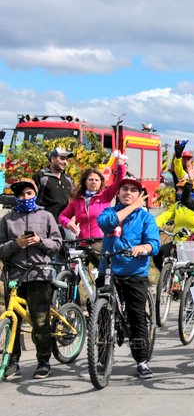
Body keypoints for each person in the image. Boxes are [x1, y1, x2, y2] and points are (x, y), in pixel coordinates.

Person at [97, 177, 161, 379]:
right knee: (101, 316)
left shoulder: (146, 218)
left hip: (134, 273)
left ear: (140, 194)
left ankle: (141, 360)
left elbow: (154, 244)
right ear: (118, 193)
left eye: (133, 190)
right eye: (124, 189)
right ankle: (102, 358)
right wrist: (132, 206)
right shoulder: (110, 212)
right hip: (108, 271)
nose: (128, 193)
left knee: (137, 317)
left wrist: (144, 248)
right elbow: (105, 223)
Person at [0, 180, 63, 379]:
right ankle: (12, 361)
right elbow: (1, 249)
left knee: (40, 320)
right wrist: (16, 244)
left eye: (29, 193)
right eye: (21, 195)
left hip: (39, 274)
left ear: (35, 194)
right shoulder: (7, 220)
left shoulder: (45, 216)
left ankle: (43, 361)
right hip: (14, 275)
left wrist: (40, 241)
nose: (25, 198)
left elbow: (57, 244)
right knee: (14, 320)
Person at [59, 151, 126, 253]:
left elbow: (119, 181)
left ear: (101, 183)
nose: (94, 182)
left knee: (100, 268)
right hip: (82, 242)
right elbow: (62, 217)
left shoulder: (105, 196)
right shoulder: (77, 200)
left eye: (97, 180)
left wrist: (121, 165)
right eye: (90, 179)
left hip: (101, 241)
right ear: (85, 182)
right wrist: (68, 224)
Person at [34, 147, 75, 221]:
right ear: (53, 159)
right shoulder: (41, 176)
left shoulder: (68, 179)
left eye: (66, 159)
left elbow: (75, 198)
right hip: (44, 222)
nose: (65, 162)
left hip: (63, 224)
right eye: (62, 158)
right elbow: (32, 199)